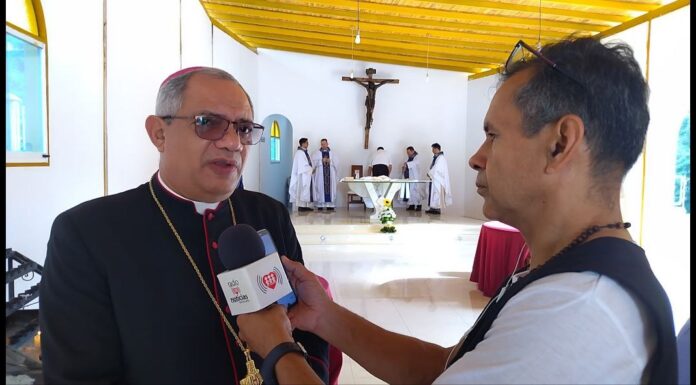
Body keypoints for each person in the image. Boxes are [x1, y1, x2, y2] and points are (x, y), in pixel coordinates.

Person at [235, 37, 677, 384]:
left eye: (493, 135)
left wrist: (278, 349)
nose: (476, 157)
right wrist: (326, 317)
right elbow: (446, 369)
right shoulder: (566, 273)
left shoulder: (576, 313)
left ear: (560, 143)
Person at [39, 67, 330, 384]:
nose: (233, 143)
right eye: (208, 123)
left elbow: (309, 330)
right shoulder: (86, 233)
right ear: (159, 133)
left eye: (244, 128)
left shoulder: (269, 214)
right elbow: (78, 376)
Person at [311, 138, 339, 211]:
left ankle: (330, 205)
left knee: (331, 188)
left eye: (324, 144)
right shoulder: (316, 153)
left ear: (327, 144)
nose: (323, 145)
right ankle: (320, 205)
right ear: (321, 144)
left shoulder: (332, 153)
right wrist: (321, 161)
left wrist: (331, 161)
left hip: (330, 174)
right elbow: (312, 163)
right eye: (322, 144)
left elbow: (337, 163)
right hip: (320, 175)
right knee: (320, 188)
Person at [425, 143, 452, 214]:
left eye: (433, 149)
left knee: (436, 193)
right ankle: (432, 208)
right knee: (432, 193)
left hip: (438, 179)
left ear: (437, 149)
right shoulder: (436, 157)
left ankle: (437, 209)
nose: (432, 150)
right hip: (434, 178)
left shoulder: (441, 158)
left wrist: (430, 173)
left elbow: (437, 168)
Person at [289, 137, 314, 212]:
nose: (308, 144)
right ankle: (301, 206)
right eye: (307, 142)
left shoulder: (305, 152)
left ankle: (306, 206)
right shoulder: (299, 153)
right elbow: (302, 166)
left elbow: (309, 162)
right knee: (302, 189)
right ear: (303, 143)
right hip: (302, 176)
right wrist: (311, 169)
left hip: (306, 174)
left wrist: (312, 168)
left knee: (306, 190)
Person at [401, 146, 423, 211]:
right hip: (409, 177)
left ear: (412, 151)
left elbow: (415, 163)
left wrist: (407, 164)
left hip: (415, 177)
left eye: (408, 152)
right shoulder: (408, 158)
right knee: (410, 191)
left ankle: (419, 205)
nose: (407, 153)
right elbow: (405, 165)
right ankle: (411, 205)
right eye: (407, 152)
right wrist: (404, 167)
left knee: (416, 191)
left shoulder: (417, 157)